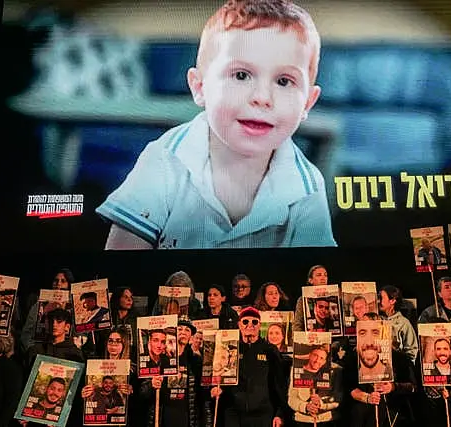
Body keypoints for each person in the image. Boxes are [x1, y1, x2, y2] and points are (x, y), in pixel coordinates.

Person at [96, 0, 336, 250]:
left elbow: (316, 278)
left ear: (308, 103)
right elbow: (120, 263)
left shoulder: (307, 187)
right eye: (241, 75)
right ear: (199, 88)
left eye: (284, 81)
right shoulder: (164, 161)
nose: (263, 98)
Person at [210, 307, 287, 427]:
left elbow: (279, 384)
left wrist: (279, 413)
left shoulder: (270, 350)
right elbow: (219, 374)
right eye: (245, 321)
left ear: (260, 325)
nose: (250, 325)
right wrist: (215, 388)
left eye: (254, 322)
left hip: (263, 414)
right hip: (233, 413)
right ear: (239, 324)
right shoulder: (229, 348)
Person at [346, 313, 417, 427]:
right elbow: (349, 387)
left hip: (394, 417)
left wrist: (393, 387)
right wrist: (367, 397)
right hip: (364, 419)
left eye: (375, 332)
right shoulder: (352, 359)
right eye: (364, 331)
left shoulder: (400, 358)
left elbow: (413, 386)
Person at [141, 319, 212, 427]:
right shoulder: (159, 358)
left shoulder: (196, 361)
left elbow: (203, 394)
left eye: (187, 330)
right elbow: (143, 393)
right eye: (179, 329)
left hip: (187, 417)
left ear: (191, 337)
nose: (183, 332)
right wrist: (151, 384)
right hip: (163, 417)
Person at [20, 268, 74, 353]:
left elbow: (79, 335)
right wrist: (31, 349)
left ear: (69, 285)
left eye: (63, 281)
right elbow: (26, 332)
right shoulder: (40, 304)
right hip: (41, 351)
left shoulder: (73, 307)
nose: (58, 284)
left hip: (66, 353)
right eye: (56, 281)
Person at [379, 286, 418, 363]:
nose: (378, 301)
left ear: (392, 300)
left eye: (381, 298)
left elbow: (412, 351)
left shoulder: (403, 323)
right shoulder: (376, 319)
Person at [294, 265, 328, 331]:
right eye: (319, 275)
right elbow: (297, 325)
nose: (323, 278)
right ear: (310, 280)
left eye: (325, 275)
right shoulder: (303, 300)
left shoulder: (333, 298)